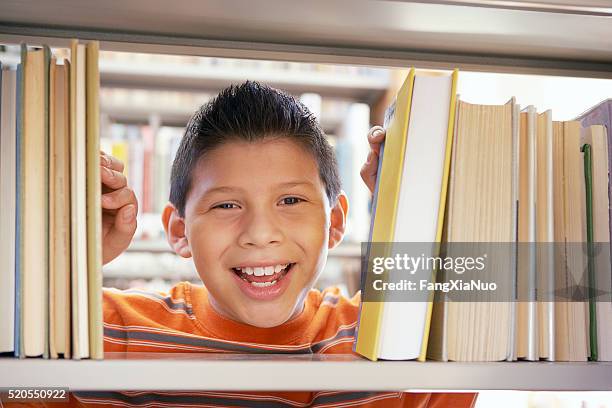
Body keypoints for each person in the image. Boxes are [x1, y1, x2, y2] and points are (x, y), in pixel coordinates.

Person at [42, 81, 477, 407]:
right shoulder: (106, 330)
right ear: (179, 231)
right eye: (227, 205)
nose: (260, 232)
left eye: (290, 200)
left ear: (335, 222)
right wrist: (68, 259)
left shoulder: (386, 336)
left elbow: (477, 317)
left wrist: (414, 210)